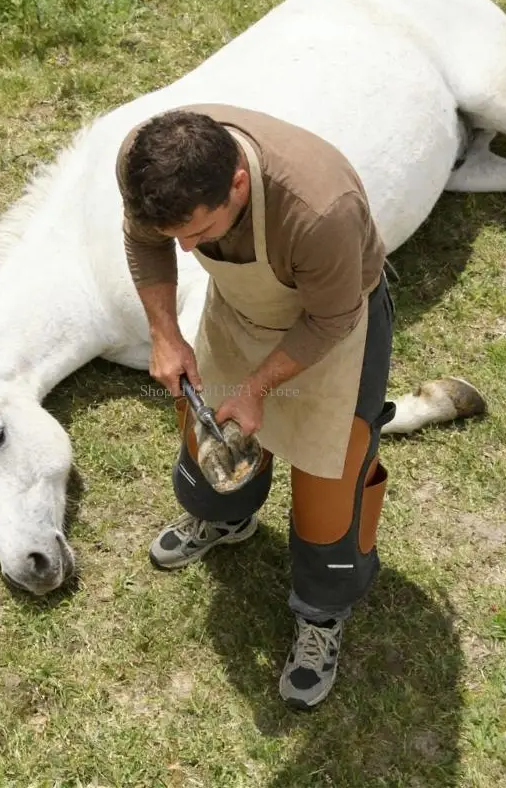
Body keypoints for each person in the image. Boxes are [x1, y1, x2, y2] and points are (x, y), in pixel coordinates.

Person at [115, 105, 395, 710]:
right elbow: (145, 241)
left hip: (337, 324)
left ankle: (321, 612)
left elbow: (332, 318)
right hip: (241, 313)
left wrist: (260, 386)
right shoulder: (145, 164)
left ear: (238, 182)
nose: (186, 251)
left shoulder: (321, 211)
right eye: (176, 238)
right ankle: (224, 519)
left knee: (331, 478)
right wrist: (165, 332)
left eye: (197, 231)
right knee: (213, 436)